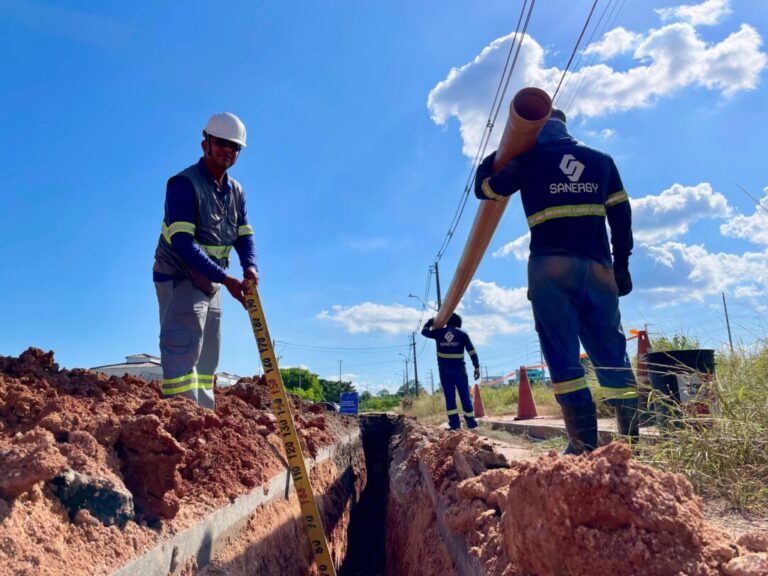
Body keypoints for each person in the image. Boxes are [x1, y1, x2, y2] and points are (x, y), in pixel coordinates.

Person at [474, 108, 639, 454]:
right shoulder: (601, 160)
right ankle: (631, 448)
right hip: (598, 269)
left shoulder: (529, 159)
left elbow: (485, 189)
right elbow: (621, 216)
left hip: (551, 268)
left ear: (534, 131)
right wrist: (622, 264)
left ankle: (581, 446)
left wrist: (501, 151)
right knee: (611, 354)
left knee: (562, 353)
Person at [152, 112, 258, 410]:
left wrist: (250, 266)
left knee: (209, 353)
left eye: (234, 146)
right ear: (205, 144)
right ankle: (181, 415)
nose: (228, 150)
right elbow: (183, 244)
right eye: (221, 143)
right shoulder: (184, 184)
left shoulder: (235, 191)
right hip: (180, 276)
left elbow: (244, 235)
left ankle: (204, 419)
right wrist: (226, 279)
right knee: (184, 345)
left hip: (211, 281)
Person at [422, 313, 480, 430]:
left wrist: (430, 322)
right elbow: (472, 351)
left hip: (444, 371)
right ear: (458, 323)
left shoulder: (439, 333)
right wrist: (476, 367)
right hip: (459, 370)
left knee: (450, 397)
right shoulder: (463, 334)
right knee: (465, 396)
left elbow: (424, 332)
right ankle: (471, 424)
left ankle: (455, 425)